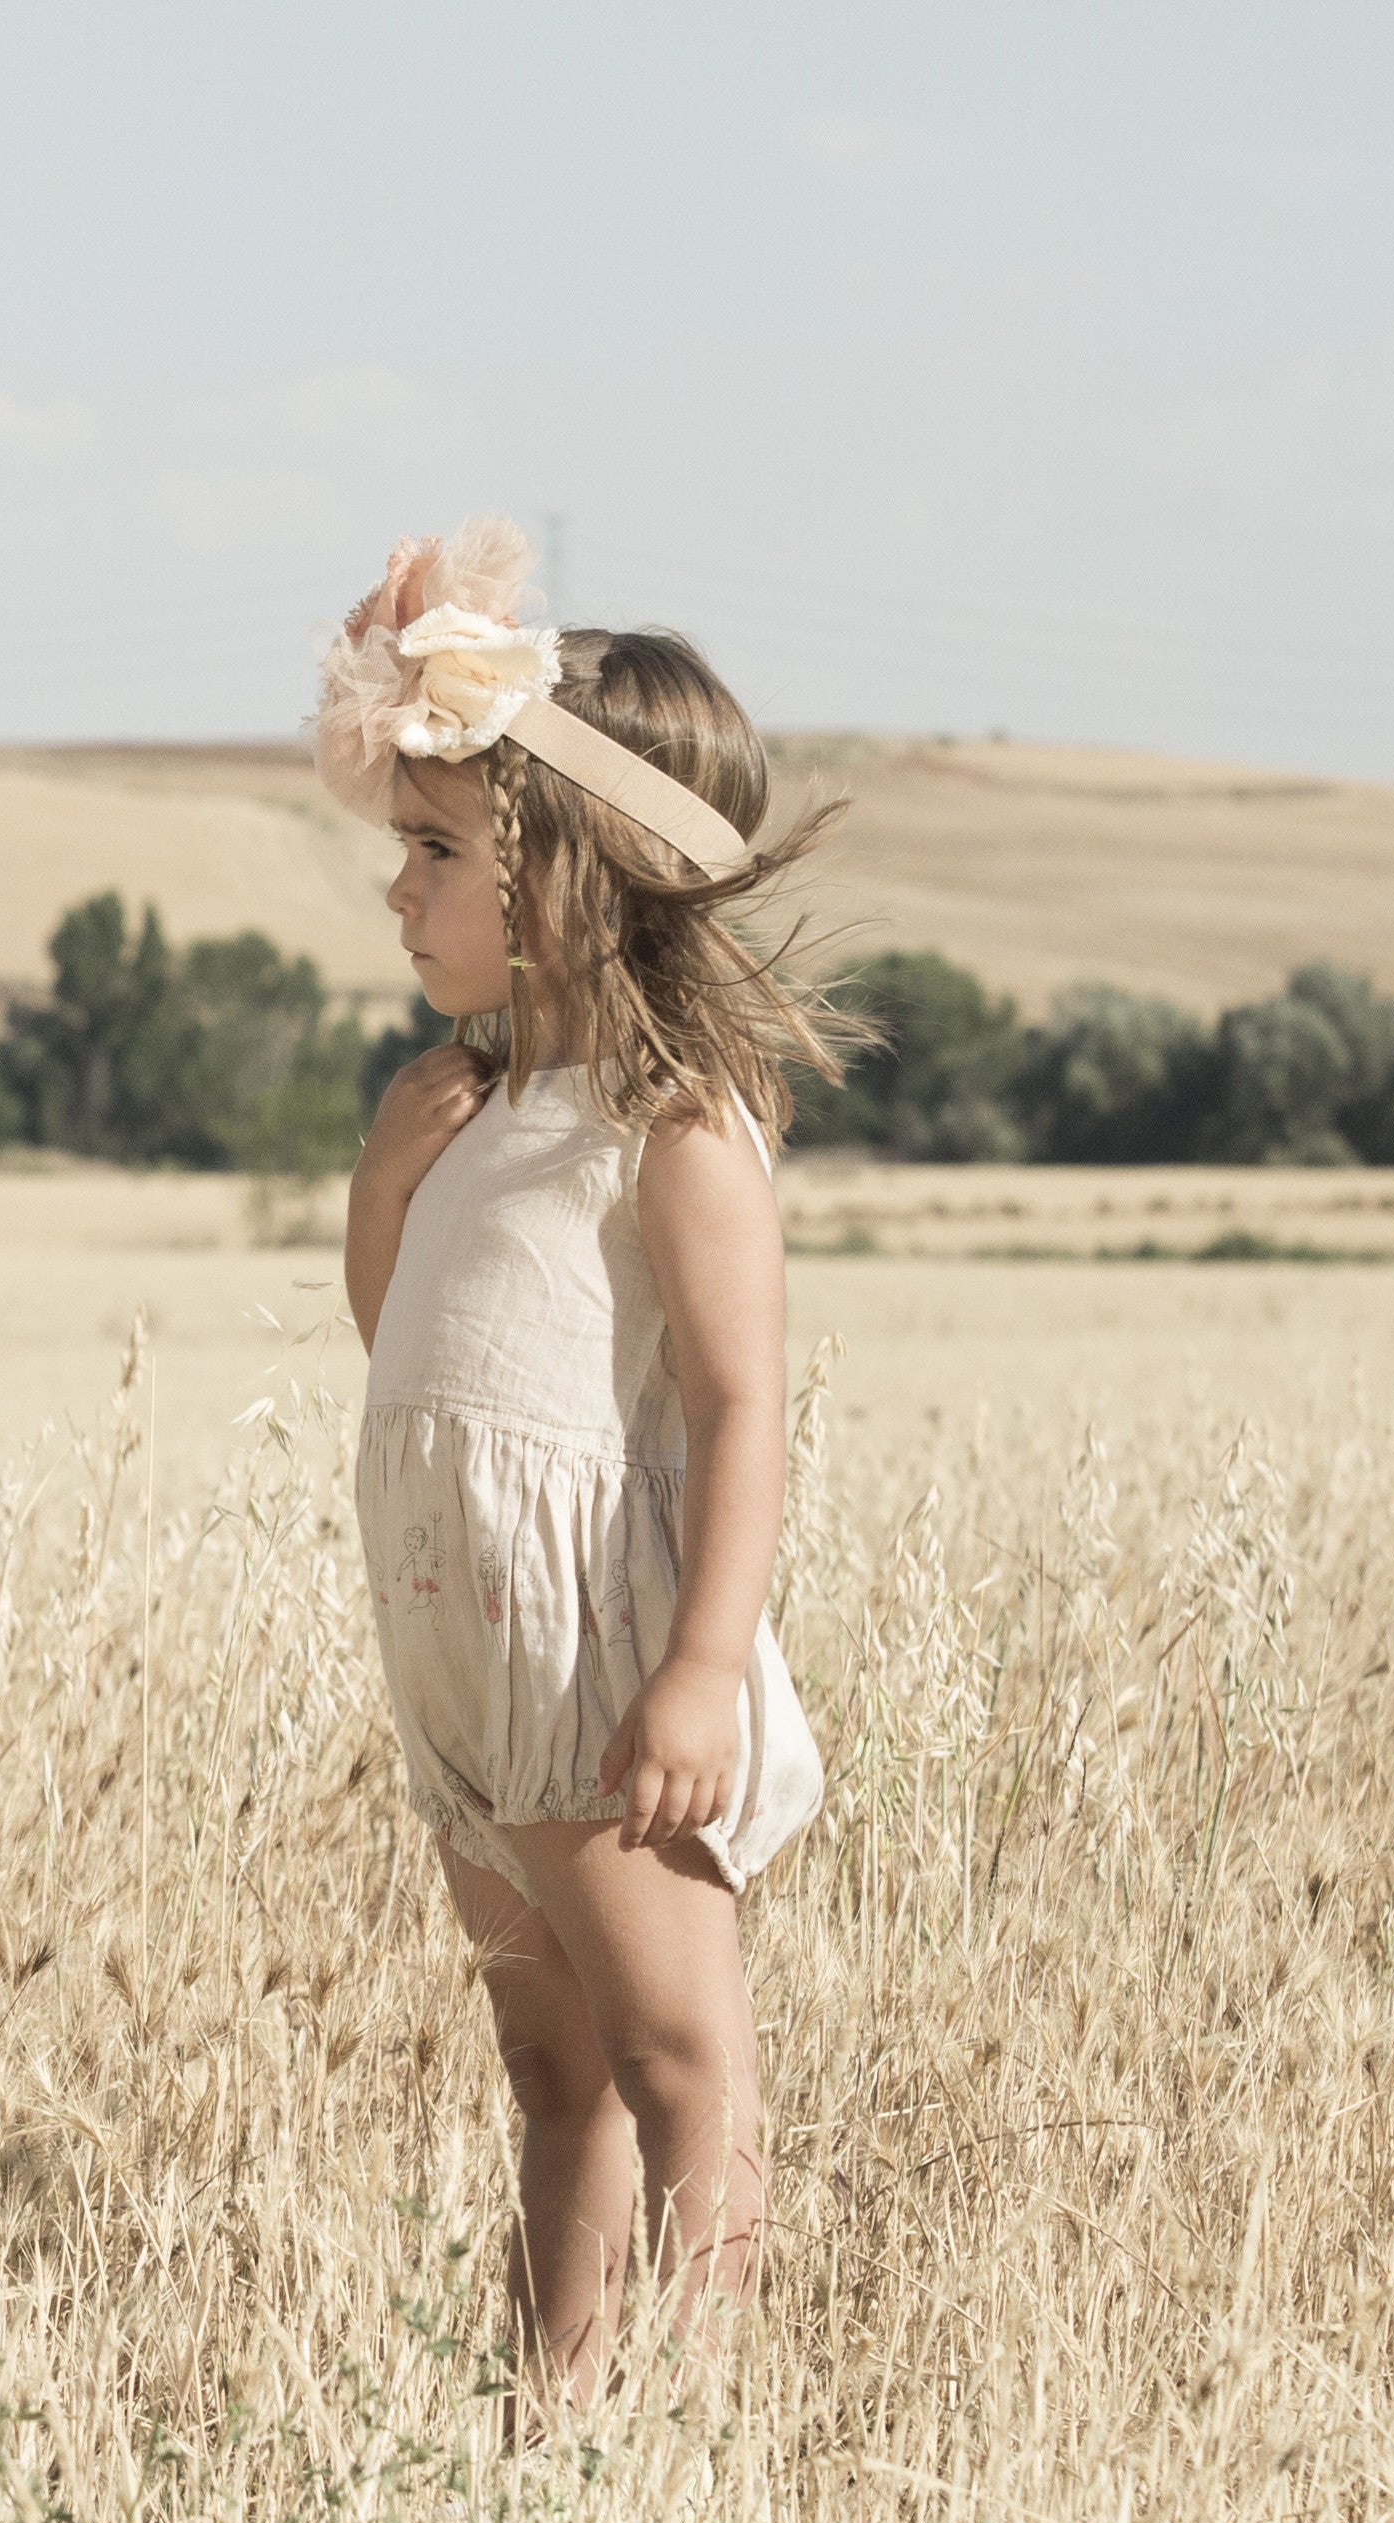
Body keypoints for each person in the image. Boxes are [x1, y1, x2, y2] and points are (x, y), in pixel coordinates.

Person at [319, 518, 865, 2397]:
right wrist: (387, 1170)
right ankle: (558, 2416)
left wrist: (703, 1667)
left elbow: (736, 1408)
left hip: (592, 1654)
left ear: (572, 870)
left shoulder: (673, 1125)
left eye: (439, 850)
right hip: (462, 1657)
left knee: (672, 2060)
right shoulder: (472, 1104)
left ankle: (685, 2422)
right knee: (549, 2070)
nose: (402, 890)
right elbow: (395, 1335)